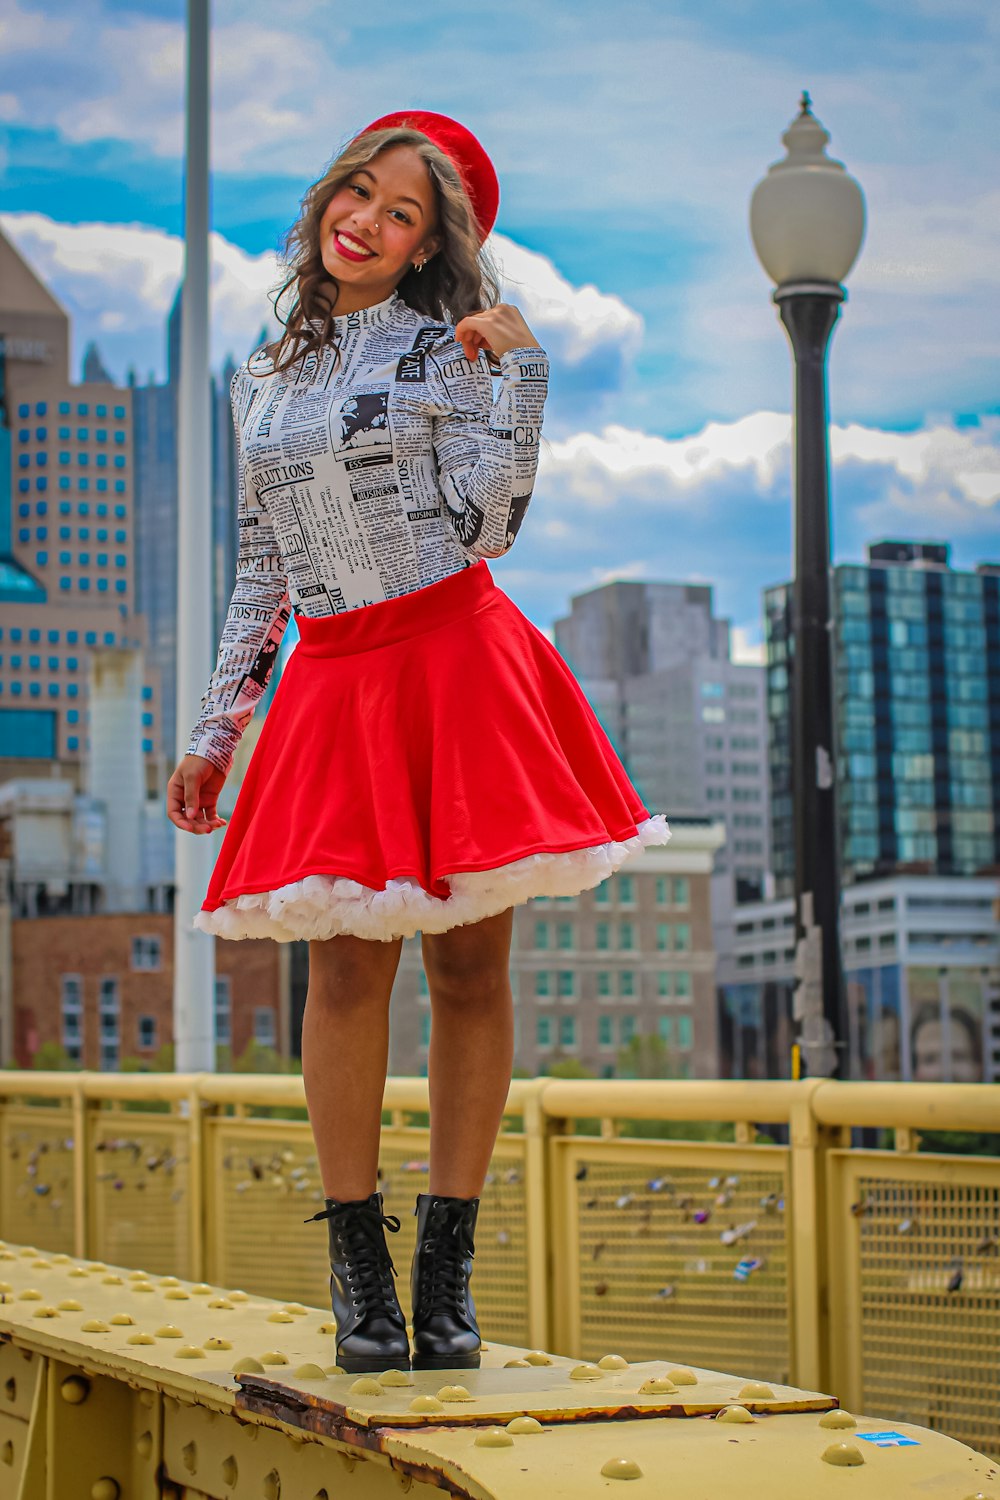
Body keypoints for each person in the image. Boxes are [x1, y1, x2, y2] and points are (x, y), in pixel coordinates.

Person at [166, 110, 670, 1374]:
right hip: (334, 684)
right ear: (327, 197)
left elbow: (490, 527)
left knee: (466, 975)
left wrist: (522, 376)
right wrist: (217, 726)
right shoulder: (261, 378)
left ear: (428, 245)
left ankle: (447, 1275)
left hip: (456, 664)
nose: (368, 222)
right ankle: (360, 1279)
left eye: (404, 214)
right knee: (341, 980)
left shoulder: (445, 352)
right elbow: (263, 568)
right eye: (359, 191)